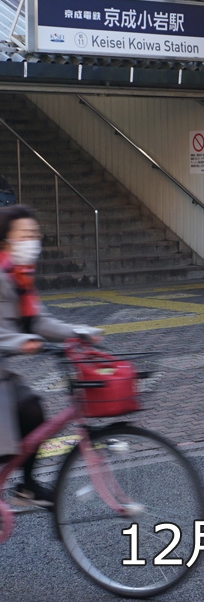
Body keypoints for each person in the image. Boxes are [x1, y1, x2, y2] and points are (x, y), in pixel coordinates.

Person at [0, 206, 100, 508]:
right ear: (5, 241)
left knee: (32, 409)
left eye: (36, 235)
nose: (33, 241)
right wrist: (23, 341)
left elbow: (40, 320)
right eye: (25, 235)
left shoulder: (20, 276)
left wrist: (77, 332)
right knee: (6, 426)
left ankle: (26, 487)